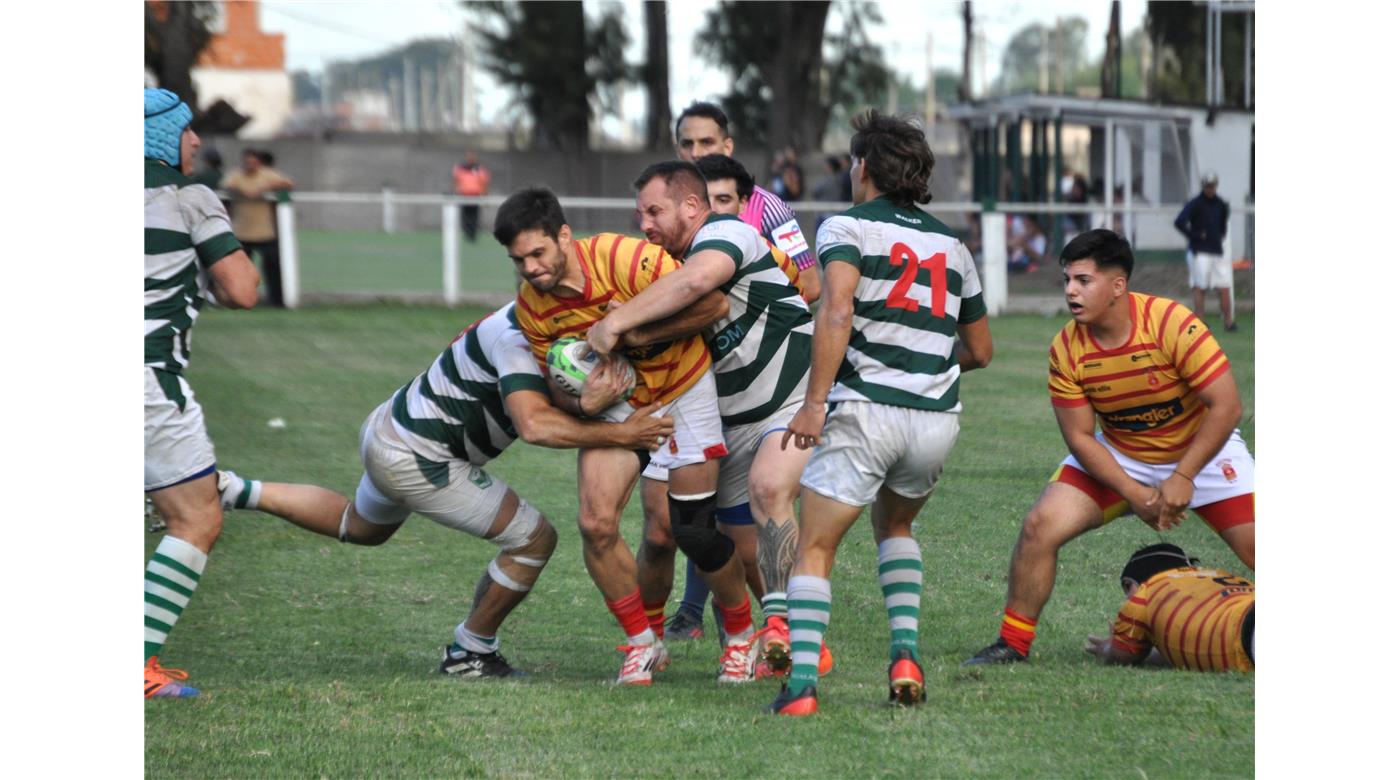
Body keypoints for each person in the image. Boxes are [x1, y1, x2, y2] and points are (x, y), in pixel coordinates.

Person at [215, 303, 674, 678]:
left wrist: (577, 399)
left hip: (392, 426)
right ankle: (469, 652)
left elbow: (531, 397)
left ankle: (234, 489)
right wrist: (608, 424)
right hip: (419, 457)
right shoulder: (514, 335)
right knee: (533, 539)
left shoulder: (526, 319)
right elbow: (534, 424)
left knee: (359, 525)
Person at [769, 109, 995, 716]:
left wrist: (815, 404)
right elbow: (980, 350)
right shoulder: (952, 243)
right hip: (935, 422)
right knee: (896, 527)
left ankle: (800, 692)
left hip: (866, 412)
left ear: (862, 167)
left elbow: (835, 311)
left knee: (815, 548)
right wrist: (922, 368)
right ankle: (904, 655)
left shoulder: (845, 227)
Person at [496, 188, 756, 685]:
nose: (530, 269)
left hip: (682, 387)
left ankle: (742, 637)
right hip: (617, 407)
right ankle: (642, 643)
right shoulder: (532, 307)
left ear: (564, 236)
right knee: (595, 524)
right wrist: (582, 405)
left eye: (538, 253)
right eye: (519, 260)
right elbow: (557, 382)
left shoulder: (624, 257)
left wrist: (631, 333)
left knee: (694, 532)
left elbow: (713, 305)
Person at [588, 159, 832, 683]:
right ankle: (780, 637)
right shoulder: (665, 265)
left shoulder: (726, 233)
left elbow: (700, 283)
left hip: (787, 399)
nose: (644, 224)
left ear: (692, 207)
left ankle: (784, 630)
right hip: (729, 417)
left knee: (770, 491)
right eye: (639, 214)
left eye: (654, 211)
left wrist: (615, 324)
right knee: (732, 549)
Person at [965, 229, 1255, 666]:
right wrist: (1133, 492)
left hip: (1203, 452)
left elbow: (1227, 406)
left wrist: (1183, 475)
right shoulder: (1066, 347)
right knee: (1039, 526)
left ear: (1118, 286)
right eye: (1067, 280)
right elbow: (1080, 436)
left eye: (1083, 280)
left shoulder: (1172, 323)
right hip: (1121, 452)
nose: (1070, 291)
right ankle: (1012, 644)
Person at [666, 101, 822, 643]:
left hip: (777, 385)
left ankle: (781, 625)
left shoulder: (766, 212)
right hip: (719, 399)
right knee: (699, 521)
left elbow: (810, 282)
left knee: (764, 498)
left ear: (727, 146)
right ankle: (716, 614)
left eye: (706, 144)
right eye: (687, 145)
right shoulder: (667, 225)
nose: (696, 153)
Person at [143, 87, 262, 698]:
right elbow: (242, 289)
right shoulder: (189, 195)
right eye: (187, 131)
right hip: (146, 381)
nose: (196, 141)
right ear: (162, 136)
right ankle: (135, 666)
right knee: (195, 517)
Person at [1085, 544, 1254, 672]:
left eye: (1126, 591)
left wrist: (1108, 648)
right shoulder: (1222, 575)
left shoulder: (1144, 595)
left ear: (1130, 584)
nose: (1127, 599)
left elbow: (1123, 656)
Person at [223, 147, 294, 307]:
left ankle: (277, 300)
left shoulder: (268, 175)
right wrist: (244, 191)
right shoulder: (236, 176)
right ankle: (242, 300)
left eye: (254, 161)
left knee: (274, 269)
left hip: (265, 232)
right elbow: (227, 185)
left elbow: (288, 183)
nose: (250, 165)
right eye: (247, 161)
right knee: (241, 271)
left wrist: (263, 189)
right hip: (242, 232)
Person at [1175, 172, 1235, 332]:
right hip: (1200, 251)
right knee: (1200, 286)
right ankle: (1201, 320)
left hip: (1216, 250)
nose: (1211, 189)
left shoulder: (1221, 204)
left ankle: (1228, 321)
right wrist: (1195, 236)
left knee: (1224, 286)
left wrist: (1218, 236)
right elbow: (1180, 221)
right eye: (1208, 186)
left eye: (1213, 186)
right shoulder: (1195, 203)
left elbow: (1223, 224)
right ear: (1204, 186)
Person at [453, 151, 492, 242]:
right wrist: (455, 193)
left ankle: (473, 236)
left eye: (472, 157)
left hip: (476, 197)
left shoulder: (480, 170)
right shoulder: (460, 169)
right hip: (464, 196)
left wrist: (485, 197)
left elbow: (484, 184)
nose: (470, 159)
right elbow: (456, 182)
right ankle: (467, 235)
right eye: (469, 157)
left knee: (474, 216)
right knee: (465, 216)